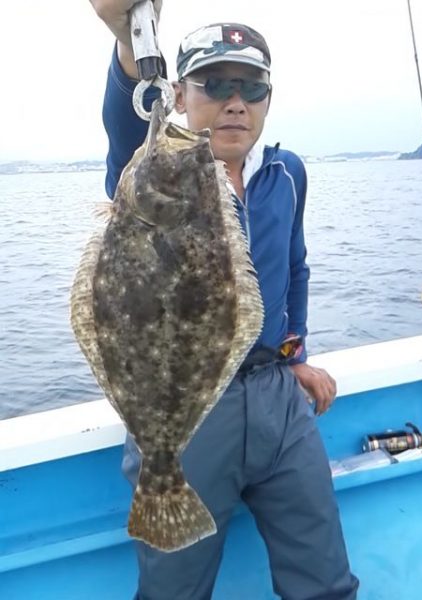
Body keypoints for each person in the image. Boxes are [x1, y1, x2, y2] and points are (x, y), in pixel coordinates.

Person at [91, 1, 359, 599]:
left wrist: (294, 356)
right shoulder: (155, 169)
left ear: (267, 98)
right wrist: (129, 45)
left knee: (327, 582)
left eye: (251, 87)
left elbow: (295, 269)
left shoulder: (287, 171)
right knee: (174, 592)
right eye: (213, 84)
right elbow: (125, 119)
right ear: (181, 95)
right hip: (184, 412)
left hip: (278, 403)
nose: (235, 101)